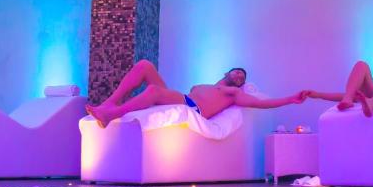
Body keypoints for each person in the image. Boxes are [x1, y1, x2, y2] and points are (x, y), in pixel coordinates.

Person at [85, 59, 308, 127]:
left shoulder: (232, 93)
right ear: (227, 72)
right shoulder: (210, 85)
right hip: (183, 97)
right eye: (237, 72)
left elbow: (260, 103)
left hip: (193, 107)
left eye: (243, 77)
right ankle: (109, 104)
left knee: (153, 89)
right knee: (144, 65)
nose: (240, 76)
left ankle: (112, 114)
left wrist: (290, 99)